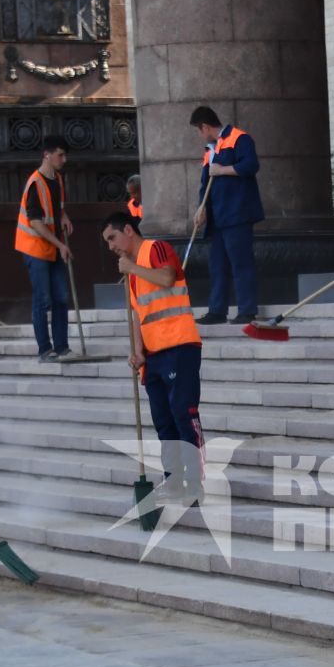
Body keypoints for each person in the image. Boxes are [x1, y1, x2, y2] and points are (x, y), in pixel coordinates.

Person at [103, 211, 202, 497]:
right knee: (164, 422)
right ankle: (173, 480)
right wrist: (138, 350)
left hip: (179, 346)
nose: (111, 246)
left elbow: (168, 277)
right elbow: (139, 313)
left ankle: (194, 483)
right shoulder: (132, 271)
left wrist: (132, 269)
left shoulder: (155, 249)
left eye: (113, 237)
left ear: (129, 231)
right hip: (154, 355)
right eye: (107, 241)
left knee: (184, 415)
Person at [189, 105, 263, 326]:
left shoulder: (239, 138)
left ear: (205, 126)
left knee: (241, 263)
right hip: (217, 217)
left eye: (198, 130)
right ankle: (217, 310)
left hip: (237, 213)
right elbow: (205, 182)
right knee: (217, 265)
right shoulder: (210, 149)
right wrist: (201, 207)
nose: (199, 134)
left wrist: (222, 170)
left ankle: (247, 310)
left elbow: (251, 165)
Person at [15, 135, 76, 362]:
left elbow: (56, 207)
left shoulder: (57, 179)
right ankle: (45, 349)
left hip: (52, 248)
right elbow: (36, 221)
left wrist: (64, 216)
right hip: (35, 248)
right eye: (60, 155)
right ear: (46, 155)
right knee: (43, 299)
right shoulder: (35, 183)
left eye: (64, 154)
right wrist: (60, 244)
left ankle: (61, 346)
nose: (64, 159)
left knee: (61, 297)